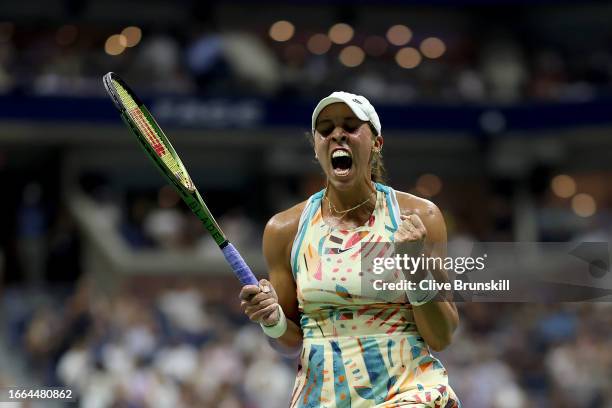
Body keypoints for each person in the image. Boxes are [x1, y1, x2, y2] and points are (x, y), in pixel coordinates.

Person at [240, 91, 460, 407]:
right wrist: (271, 319)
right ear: (316, 148)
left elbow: (441, 336)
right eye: (325, 129)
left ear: (376, 143)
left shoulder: (419, 216)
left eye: (350, 126)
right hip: (322, 397)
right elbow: (290, 342)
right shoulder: (284, 229)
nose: (337, 134)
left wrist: (414, 265)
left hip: (409, 393)